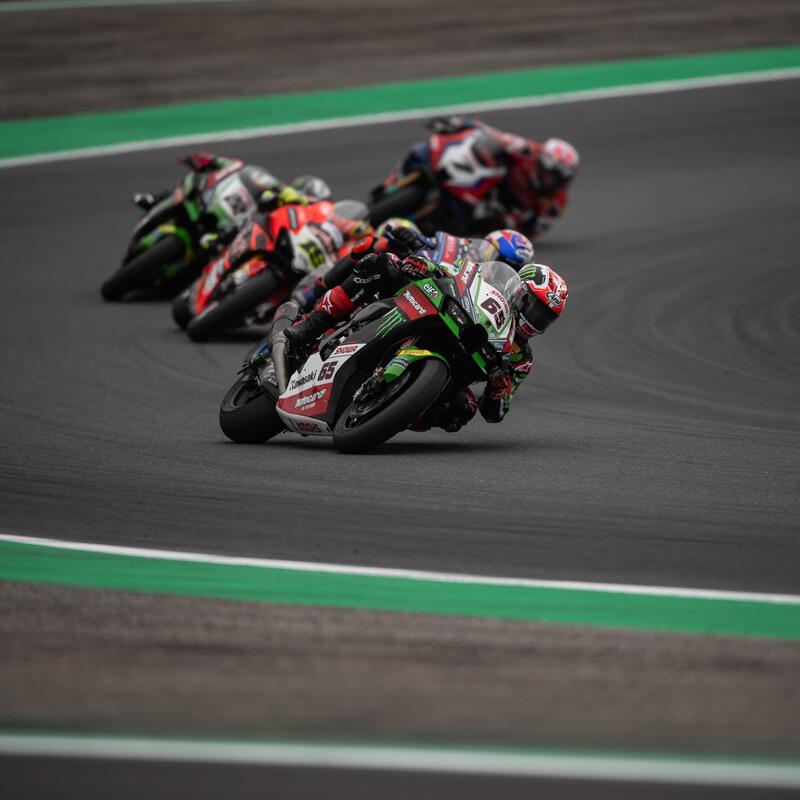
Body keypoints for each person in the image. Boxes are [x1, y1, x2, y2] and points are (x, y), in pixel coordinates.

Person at [284, 250, 568, 432]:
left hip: (453, 369)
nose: (535, 320)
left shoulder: (521, 359)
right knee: (385, 264)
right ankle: (311, 325)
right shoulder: (488, 285)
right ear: (518, 292)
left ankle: (392, 413)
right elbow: (456, 271)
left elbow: (494, 414)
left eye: (544, 318)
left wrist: (498, 388)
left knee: (462, 410)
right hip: (432, 311)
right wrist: (425, 265)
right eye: (534, 308)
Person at [376, 117, 579, 240]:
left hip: (500, 210)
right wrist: (459, 124)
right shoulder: (528, 151)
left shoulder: (555, 204)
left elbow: (531, 232)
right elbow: (493, 134)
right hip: (491, 181)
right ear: (541, 162)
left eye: (556, 179)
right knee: (423, 152)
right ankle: (392, 184)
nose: (550, 181)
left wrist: (510, 223)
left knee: (465, 229)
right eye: (549, 174)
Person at [293, 217, 533, 310]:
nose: (494, 261)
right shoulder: (461, 245)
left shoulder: (495, 295)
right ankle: (315, 291)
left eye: (505, 264)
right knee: (372, 245)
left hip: (438, 305)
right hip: (412, 277)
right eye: (494, 253)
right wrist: (412, 238)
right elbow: (430, 241)